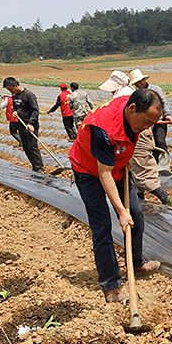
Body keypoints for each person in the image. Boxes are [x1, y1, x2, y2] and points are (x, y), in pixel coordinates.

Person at [69, 88, 162, 303]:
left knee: (136, 216)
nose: (147, 128)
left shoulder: (131, 108)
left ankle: (136, 263)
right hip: (89, 171)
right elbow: (104, 173)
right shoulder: (103, 128)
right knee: (102, 225)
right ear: (132, 109)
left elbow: (126, 141)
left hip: (117, 167)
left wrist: (126, 155)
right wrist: (120, 211)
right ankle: (110, 284)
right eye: (147, 122)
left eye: (151, 124)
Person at [100, 72, 172, 207]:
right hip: (139, 133)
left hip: (137, 135)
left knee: (142, 166)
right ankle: (141, 200)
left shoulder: (125, 96)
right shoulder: (133, 94)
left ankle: (166, 199)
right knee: (135, 168)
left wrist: (167, 115)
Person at [128, 69, 172, 162]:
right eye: (137, 83)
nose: (140, 84)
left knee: (160, 143)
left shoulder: (156, 89)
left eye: (141, 81)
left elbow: (163, 102)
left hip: (158, 121)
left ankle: (161, 163)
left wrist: (167, 114)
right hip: (143, 123)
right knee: (145, 145)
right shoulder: (137, 94)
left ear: (144, 79)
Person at [2, 77, 44, 172]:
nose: (10, 92)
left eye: (10, 89)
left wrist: (31, 123)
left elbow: (35, 111)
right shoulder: (15, 96)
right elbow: (15, 107)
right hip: (21, 124)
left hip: (31, 125)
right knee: (25, 147)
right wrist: (15, 112)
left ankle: (39, 167)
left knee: (32, 146)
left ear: (16, 85)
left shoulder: (29, 95)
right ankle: (34, 166)